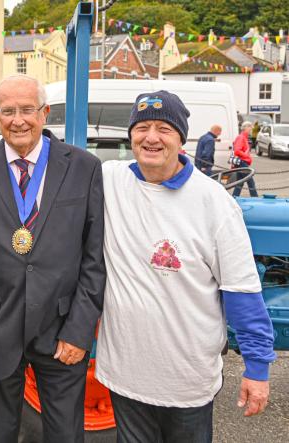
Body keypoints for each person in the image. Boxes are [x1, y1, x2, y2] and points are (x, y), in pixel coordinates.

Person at [96, 91, 275, 443]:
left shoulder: (214, 203)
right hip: (123, 374)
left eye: (164, 128)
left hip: (185, 382)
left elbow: (241, 290)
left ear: (181, 138)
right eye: (142, 127)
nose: (151, 137)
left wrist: (257, 368)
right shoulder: (109, 180)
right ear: (130, 135)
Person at [0, 74, 106, 443]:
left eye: (27, 110)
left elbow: (94, 257)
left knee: (65, 435)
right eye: (8, 111)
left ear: (45, 113)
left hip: (61, 328)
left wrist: (80, 330)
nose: (17, 120)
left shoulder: (83, 167)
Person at [232, 121, 258, 197]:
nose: (251, 130)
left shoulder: (243, 137)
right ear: (246, 128)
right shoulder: (241, 137)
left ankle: (234, 197)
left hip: (242, 163)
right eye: (250, 128)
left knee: (240, 183)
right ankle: (255, 198)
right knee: (251, 182)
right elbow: (237, 151)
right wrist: (247, 157)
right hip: (242, 162)